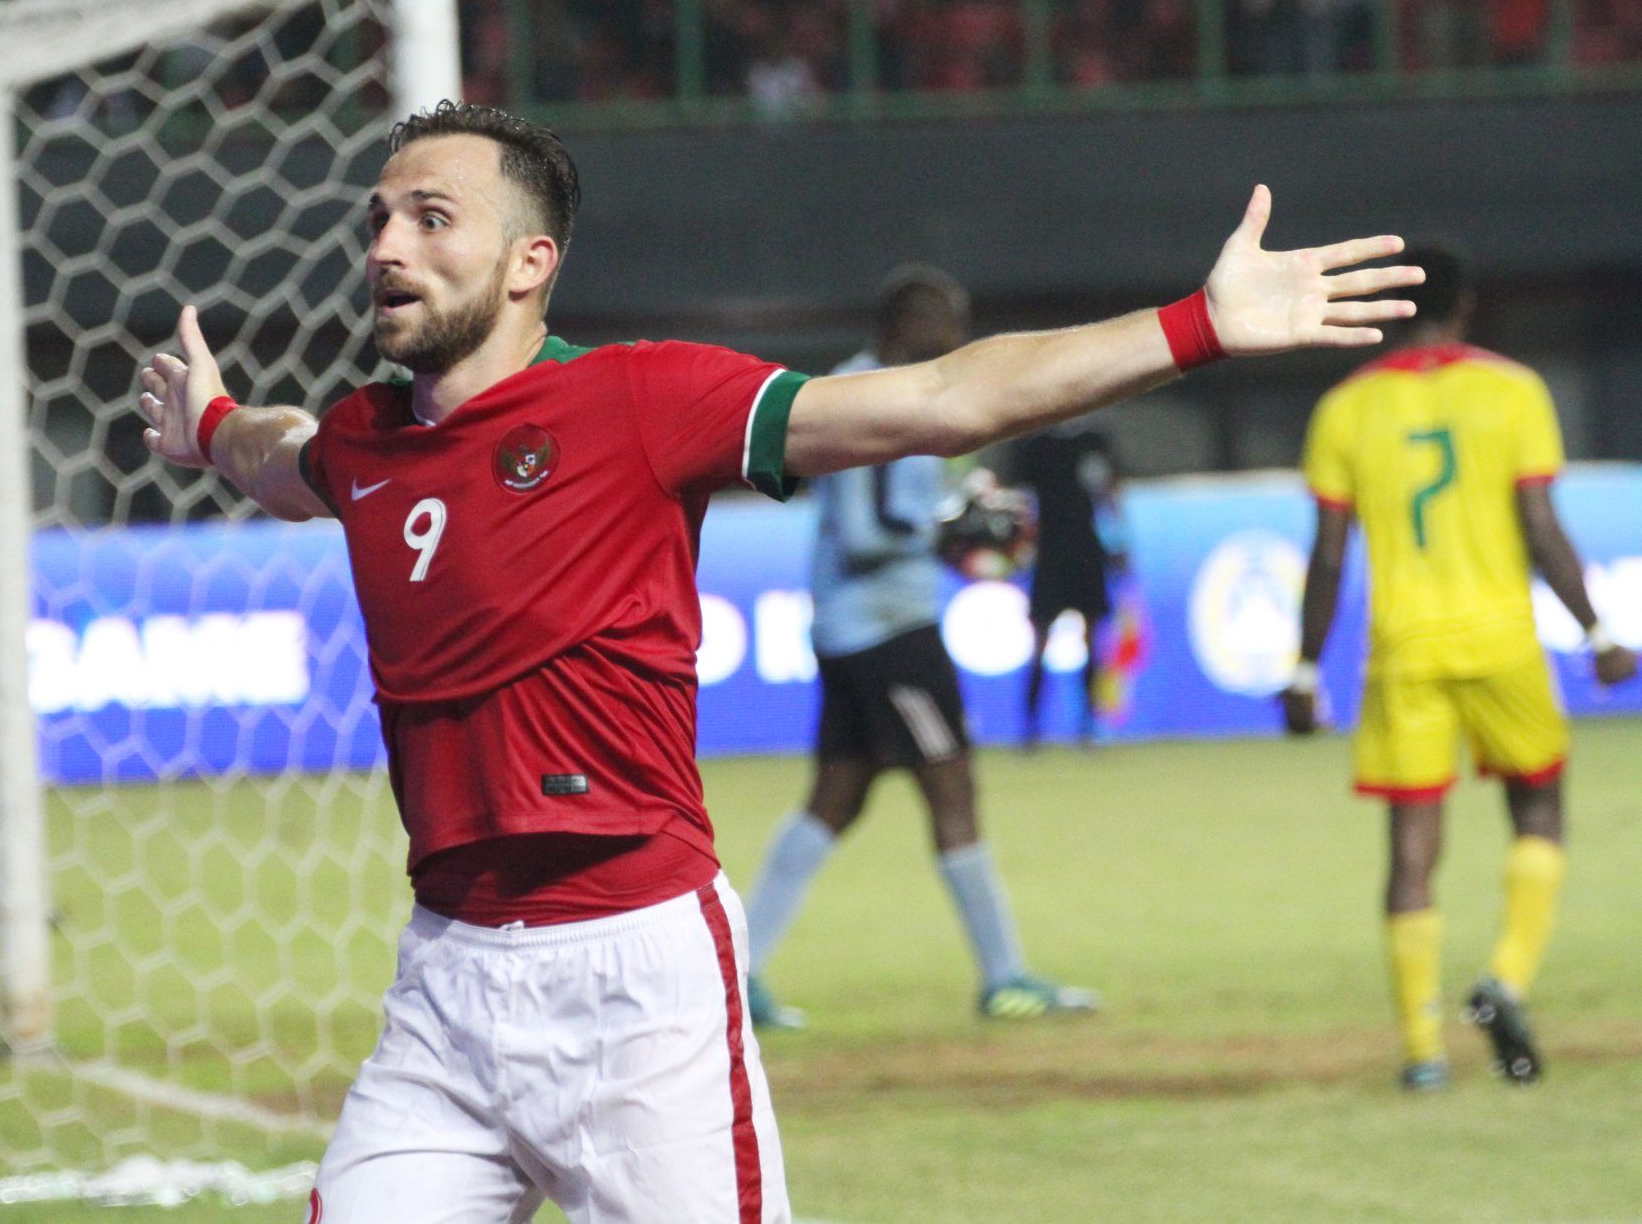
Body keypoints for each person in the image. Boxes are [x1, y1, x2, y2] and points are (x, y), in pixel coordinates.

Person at [135, 99, 1419, 1222]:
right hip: (445, 983)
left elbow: (943, 400)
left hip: (632, 981)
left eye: (428, 218)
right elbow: (279, 452)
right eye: (378, 219)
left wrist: (1196, 325)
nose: (384, 247)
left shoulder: (640, 401)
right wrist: (205, 425)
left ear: (530, 263)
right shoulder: (364, 442)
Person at [1282, 241, 1636, 1093]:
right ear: (1466, 306)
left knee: (1411, 848)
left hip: (1405, 647)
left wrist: (1302, 669)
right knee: (1540, 807)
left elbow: (1328, 557)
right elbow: (1542, 525)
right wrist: (1595, 632)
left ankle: (1421, 1051)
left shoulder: (1343, 409)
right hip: (1501, 640)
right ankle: (1504, 978)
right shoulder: (1513, 390)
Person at [742, 265, 1097, 1031]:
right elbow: (871, 530)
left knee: (835, 798)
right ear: (910, 326)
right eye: (949, 325)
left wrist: (945, 517)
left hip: (854, 626)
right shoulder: (868, 396)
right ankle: (1004, 976)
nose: (958, 341)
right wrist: (952, 532)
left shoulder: (870, 387)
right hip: (887, 631)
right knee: (952, 784)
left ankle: (735, 973)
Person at [1011, 418, 1127, 747]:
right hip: (1049, 553)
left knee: (1091, 642)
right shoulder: (1033, 444)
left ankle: (1087, 726)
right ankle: (1030, 730)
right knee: (1040, 644)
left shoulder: (1094, 439)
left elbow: (1110, 493)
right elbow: (1023, 501)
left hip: (1087, 551)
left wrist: (1119, 543)